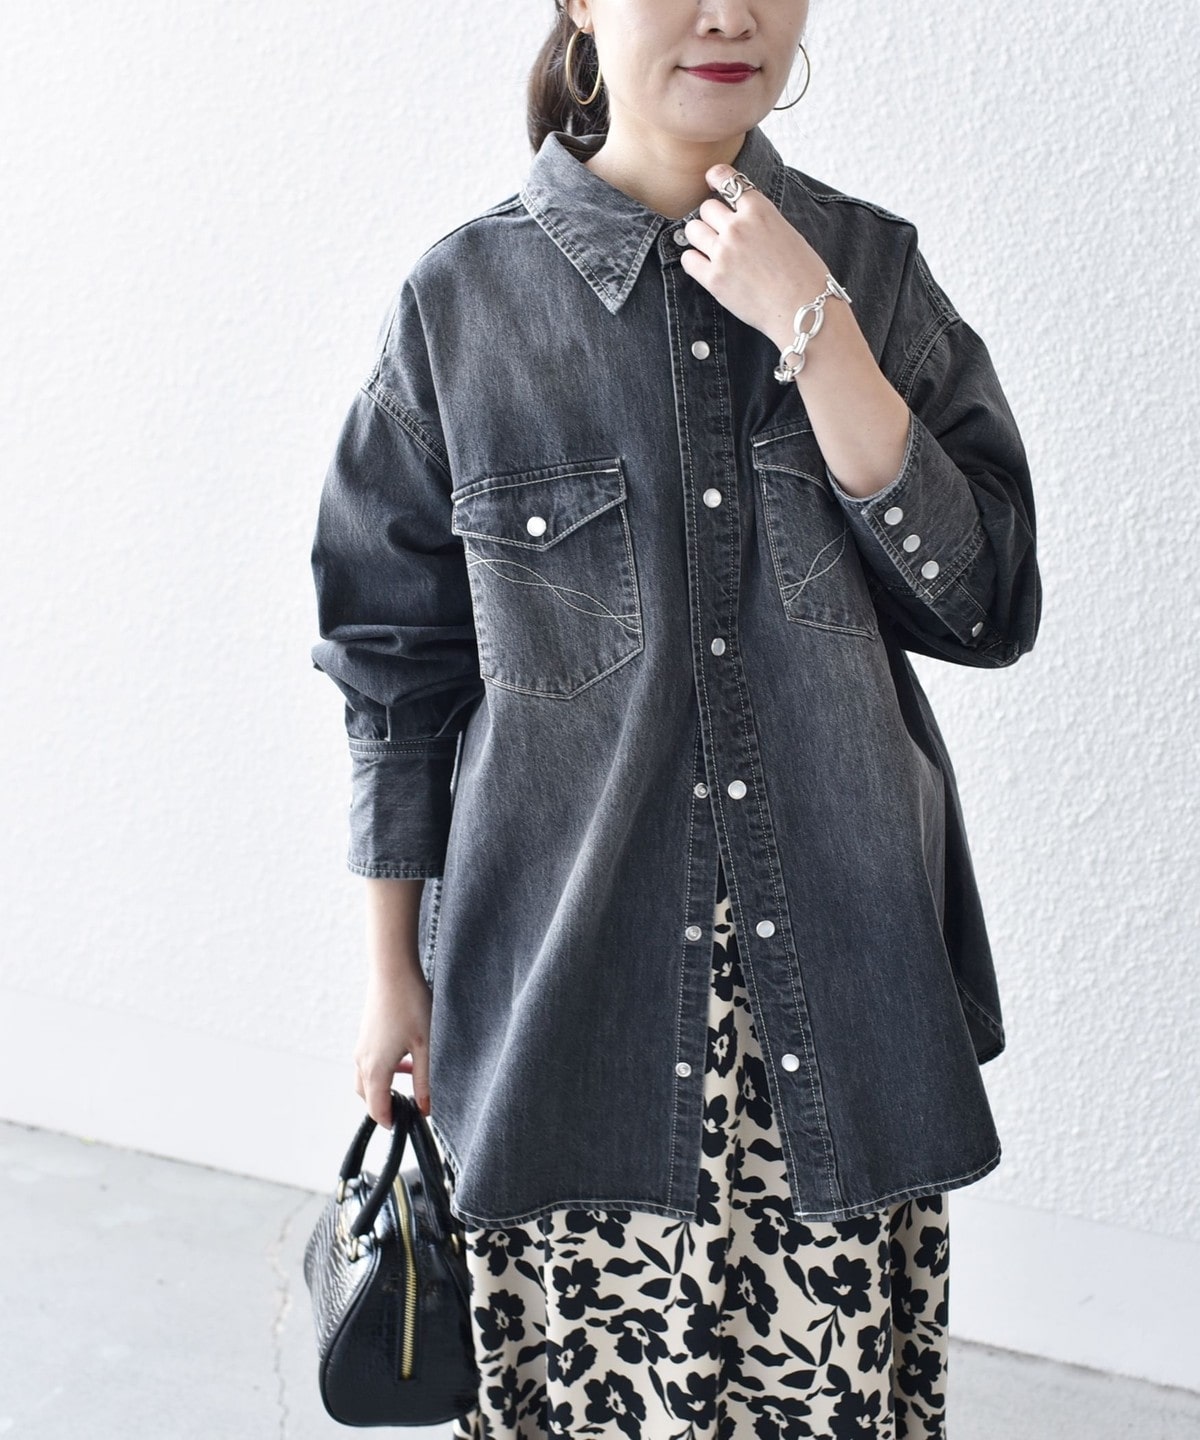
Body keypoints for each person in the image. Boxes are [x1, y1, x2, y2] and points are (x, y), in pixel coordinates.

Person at [308, 0, 1042, 1433]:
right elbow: (392, 671)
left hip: (837, 1013)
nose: (728, 14)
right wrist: (392, 972)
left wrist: (817, 334)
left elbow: (987, 604)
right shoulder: (461, 307)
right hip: (564, 1013)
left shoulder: (870, 272)